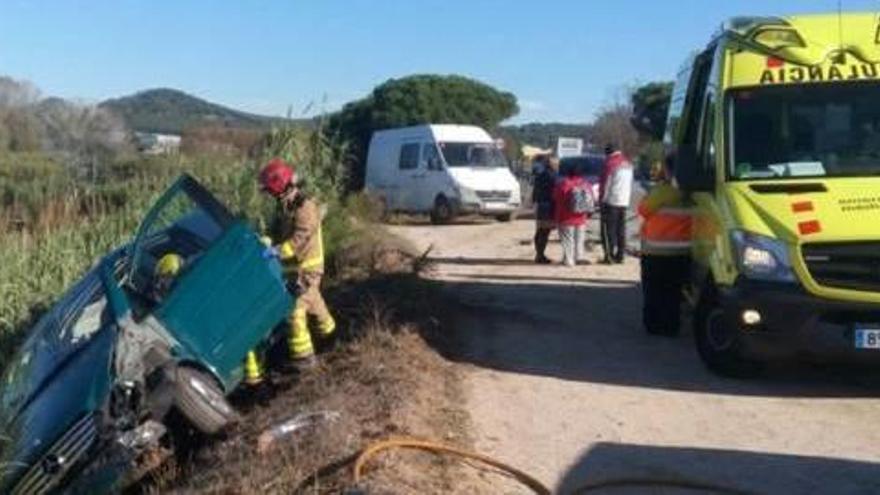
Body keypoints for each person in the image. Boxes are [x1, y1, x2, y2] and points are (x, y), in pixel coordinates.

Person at [259, 158, 336, 370]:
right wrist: (267, 241)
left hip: (309, 269)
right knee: (314, 302)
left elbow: (299, 238)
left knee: (295, 308)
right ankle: (331, 337)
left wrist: (277, 252)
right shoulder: (287, 207)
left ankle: (305, 359)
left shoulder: (304, 208)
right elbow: (279, 232)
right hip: (298, 268)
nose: (269, 195)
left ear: (278, 187)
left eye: (270, 190)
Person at [638, 158, 692, 336]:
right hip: (682, 253)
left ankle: (653, 326)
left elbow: (643, 209)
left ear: (668, 171)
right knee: (674, 293)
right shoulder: (693, 194)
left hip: (656, 252)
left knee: (653, 291)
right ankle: (671, 326)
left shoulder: (663, 192)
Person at [553, 162, 594, 267]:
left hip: (565, 217)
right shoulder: (586, 184)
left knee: (568, 240)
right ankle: (578, 257)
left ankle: (568, 260)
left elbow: (556, 197)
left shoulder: (564, 184)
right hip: (581, 217)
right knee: (579, 240)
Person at [600, 144, 634, 264]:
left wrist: (602, 200)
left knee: (608, 230)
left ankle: (609, 256)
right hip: (624, 201)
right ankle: (620, 255)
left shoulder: (610, 164)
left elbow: (605, 184)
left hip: (611, 201)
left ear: (608, 153)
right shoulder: (628, 163)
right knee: (621, 230)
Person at [531, 154, 558, 264]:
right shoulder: (552, 175)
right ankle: (540, 255)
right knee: (544, 231)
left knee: (540, 230)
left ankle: (539, 253)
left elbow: (535, 192)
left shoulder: (540, 175)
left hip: (541, 204)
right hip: (548, 205)